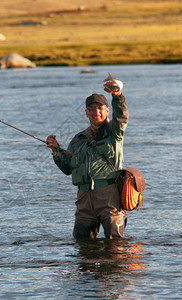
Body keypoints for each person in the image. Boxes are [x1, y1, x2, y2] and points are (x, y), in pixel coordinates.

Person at [46, 76, 129, 239]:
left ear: (107, 110)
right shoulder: (78, 140)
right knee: (82, 245)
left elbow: (122, 116)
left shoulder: (114, 131)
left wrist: (117, 96)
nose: (96, 112)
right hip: (83, 199)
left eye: (100, 108)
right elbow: (67, 168)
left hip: (109, 196)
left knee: (115, 247)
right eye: (91, 109)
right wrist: (56, 150)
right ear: (86, 112)